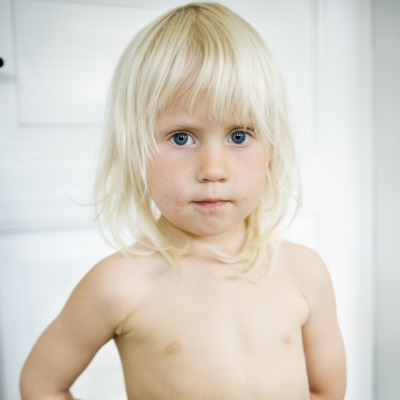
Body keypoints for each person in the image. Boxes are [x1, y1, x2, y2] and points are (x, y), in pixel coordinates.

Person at [19, 2, 346, 399]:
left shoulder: (303, 272)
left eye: (239, 135)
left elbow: (327, 389)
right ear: (135, 150)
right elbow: (42, 383)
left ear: (272, 147)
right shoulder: (118, 284)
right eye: (181, 137)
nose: (213, 169)